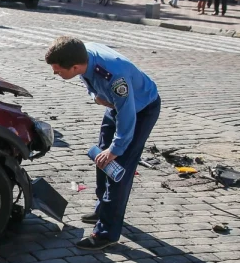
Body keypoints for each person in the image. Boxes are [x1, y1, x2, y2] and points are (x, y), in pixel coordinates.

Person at [45, 36, 160, 251]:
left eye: (58, 70)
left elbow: (128, 118)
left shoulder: (115, 77)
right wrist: (95, 96)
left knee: (117, 168)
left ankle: (106, 232)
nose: (55, 73)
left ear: (75, 66)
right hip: (113, 104)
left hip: (141, 109)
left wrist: (115, 150)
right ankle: (103, 208)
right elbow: (89, 83)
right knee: (101, 160)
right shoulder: (80, 54)